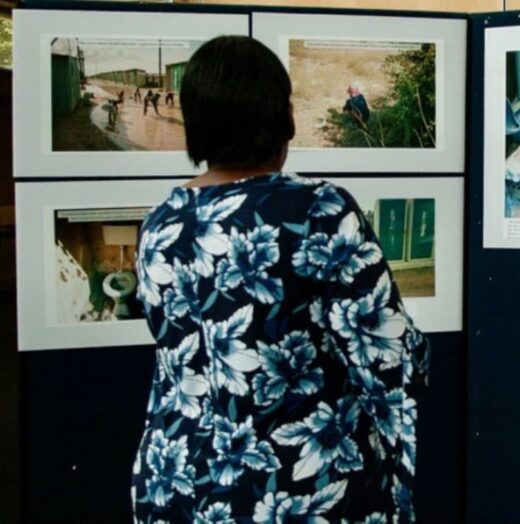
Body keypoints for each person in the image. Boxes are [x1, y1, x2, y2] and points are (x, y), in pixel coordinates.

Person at [131, 36, 429, 523]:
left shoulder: (160, 221)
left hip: (181, 477)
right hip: (295, 488)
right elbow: (389, 351)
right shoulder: (318, 210)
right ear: (283, 116)